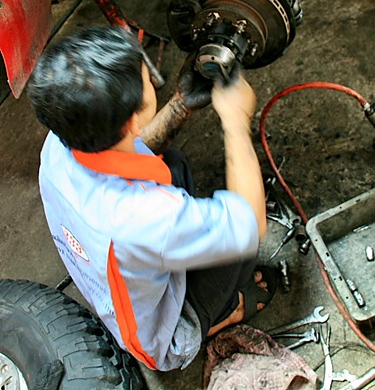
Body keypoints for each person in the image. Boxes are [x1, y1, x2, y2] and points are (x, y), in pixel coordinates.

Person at [28, 25, 276, 372]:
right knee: (240, 252)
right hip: (161, 338)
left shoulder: (59, 142)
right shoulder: (146, 217)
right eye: (148, 79)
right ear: (133, 119)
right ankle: (220, 315)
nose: (153, 80)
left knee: (173, 164)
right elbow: (251, 222)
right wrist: (236, 120)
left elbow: (128, 144)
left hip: (117, 276)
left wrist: (180, 105)